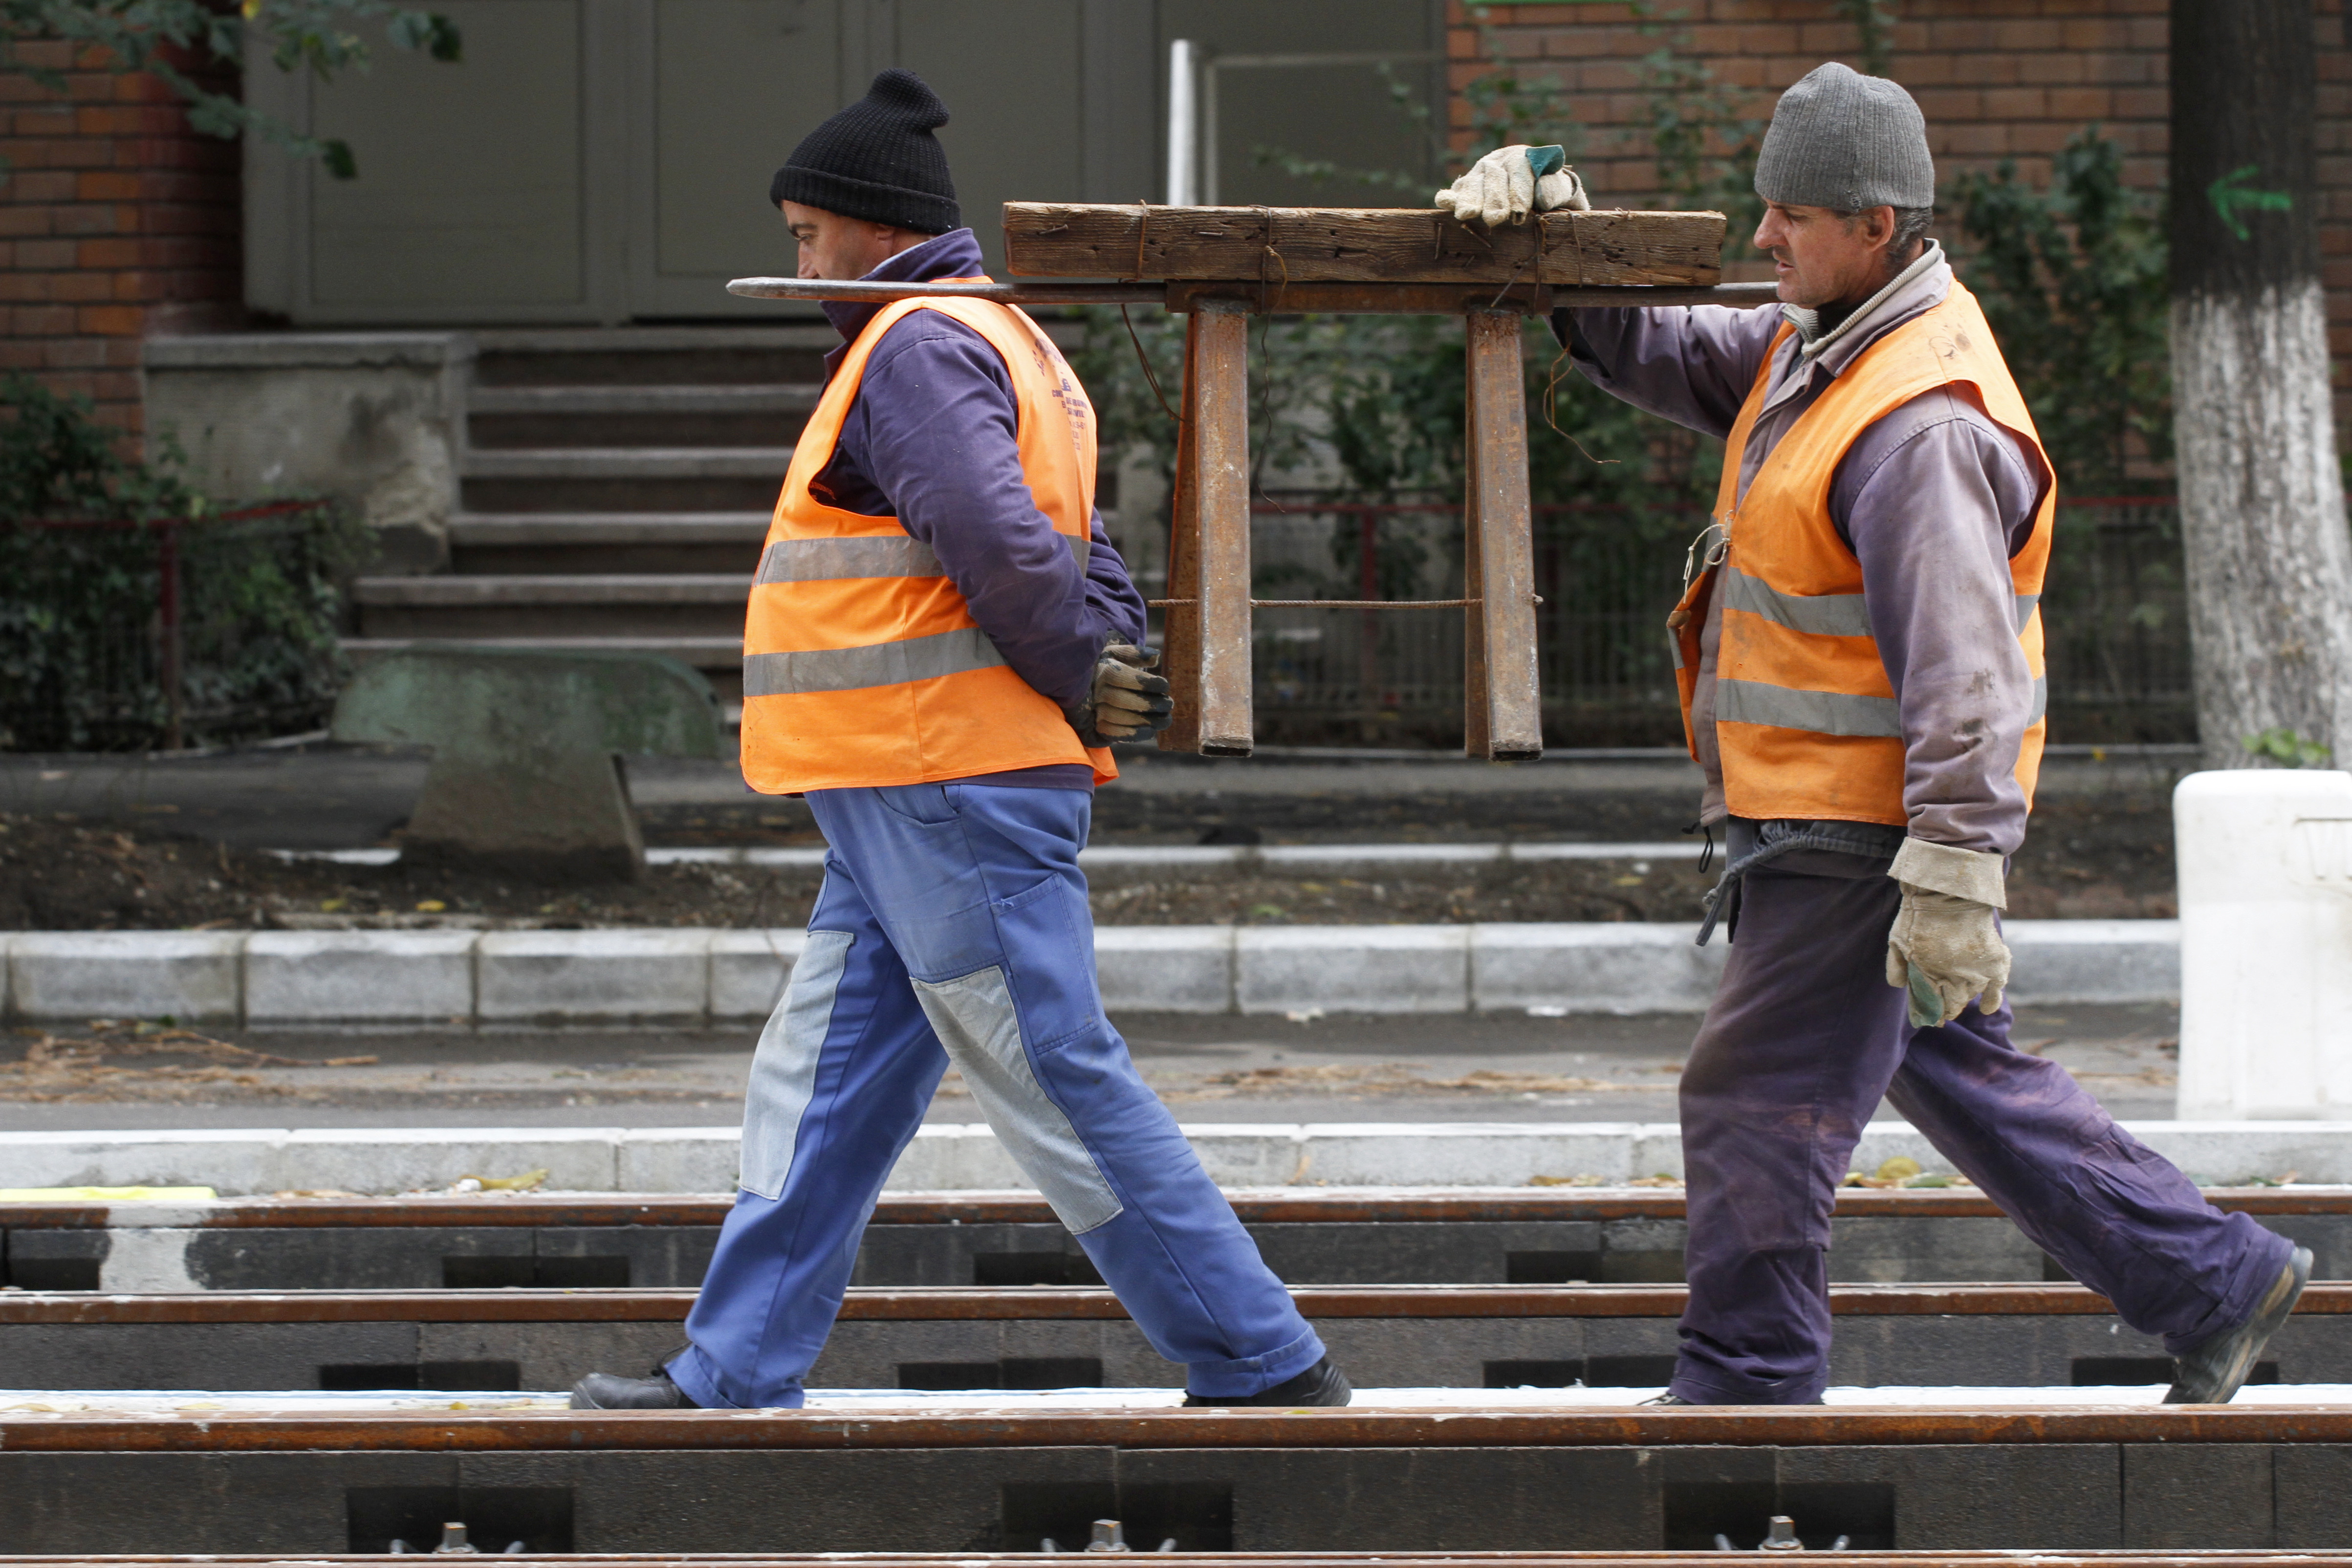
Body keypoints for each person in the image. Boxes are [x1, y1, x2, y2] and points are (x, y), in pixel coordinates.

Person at [1437, 63, 2308, 1406]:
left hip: (1864, 836)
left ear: (1875, 225)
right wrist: (1566, 233)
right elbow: (1653, 342)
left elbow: (1966, 677)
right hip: (1830, 822)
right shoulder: (1817, 348)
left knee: (1751, 1099)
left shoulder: (1917, 424)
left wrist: (1955, 873)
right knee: (1962, 1075)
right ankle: (2213, 1280)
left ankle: (1747, 1386)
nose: (1763, 236)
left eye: (1789, 216)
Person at [570, 68, 1347, 1412]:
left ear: (878, 228)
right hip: (909, 783)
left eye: (809, 236)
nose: (800, 265)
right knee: (822, 1081)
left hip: (941, 773)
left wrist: (1075, 663)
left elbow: (994, 536)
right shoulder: (1006, 339)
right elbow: (1074, 538)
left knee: (1047, 1068)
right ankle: (733, 1367)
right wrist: (1098, 658)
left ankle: (1257, 1354)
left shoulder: (916, 345)